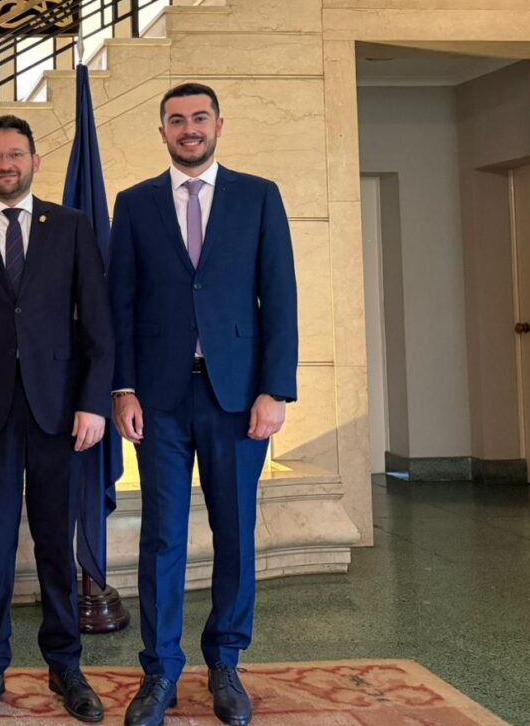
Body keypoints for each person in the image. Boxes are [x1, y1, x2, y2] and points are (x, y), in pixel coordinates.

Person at [109, 82, 297, 726]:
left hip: (239, 397)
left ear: (219, 124)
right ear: (161, 131)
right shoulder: (133, 204)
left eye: (199, 118)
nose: (188, 128)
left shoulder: (258, 196)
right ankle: (160, 671)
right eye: (176, 120)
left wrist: (275, 389)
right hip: (159, 398)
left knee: (235, 532)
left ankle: (225, 664)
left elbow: (280, 298)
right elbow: (121, 303)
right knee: (161, 535)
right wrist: (123, 387)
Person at [0, 115, 114, 726]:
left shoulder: (72, 226)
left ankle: (66, 665)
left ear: (34, 160)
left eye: (15, 154)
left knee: (57, 543)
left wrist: (93, 401)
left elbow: (98, 324)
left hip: (61, 411)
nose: (5, 165)